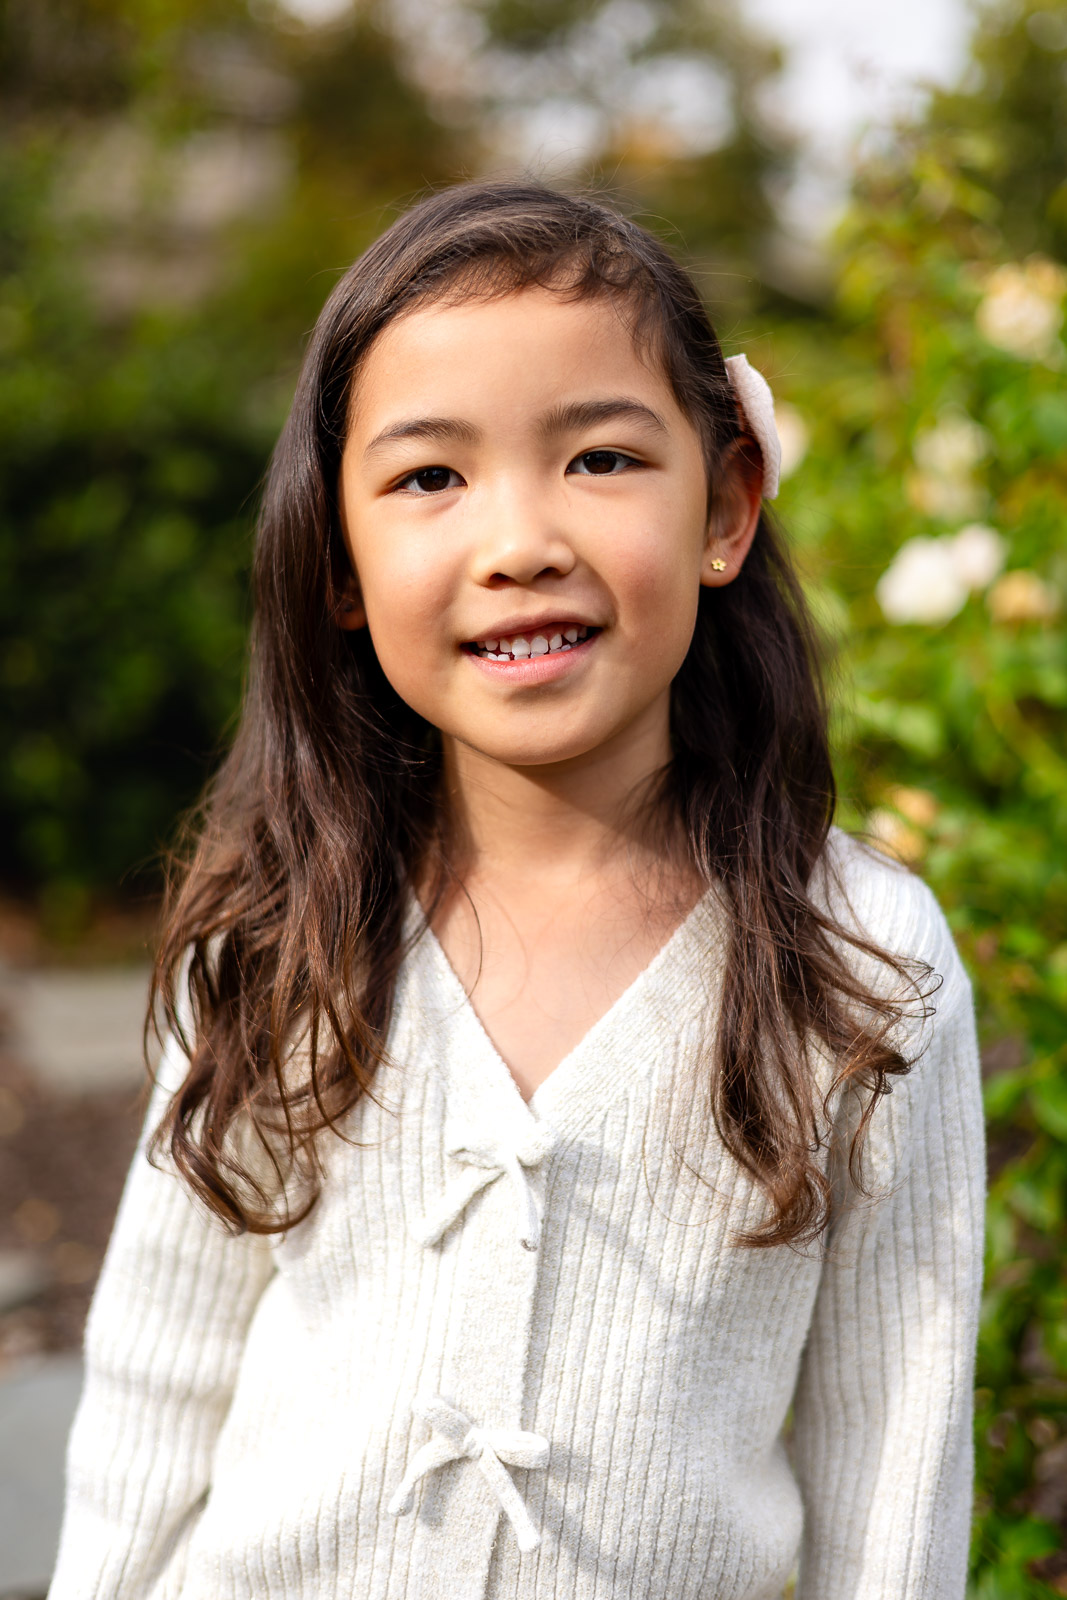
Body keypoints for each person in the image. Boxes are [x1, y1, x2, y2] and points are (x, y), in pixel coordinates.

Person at [48, 181, 985, 1600]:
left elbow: (896, 1450)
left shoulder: (860, 960)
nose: (520, 540)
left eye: (601, 460)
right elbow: (156, 1382)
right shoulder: (275, 928)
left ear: (728, 504)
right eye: (430, 478)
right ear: (342, 564)